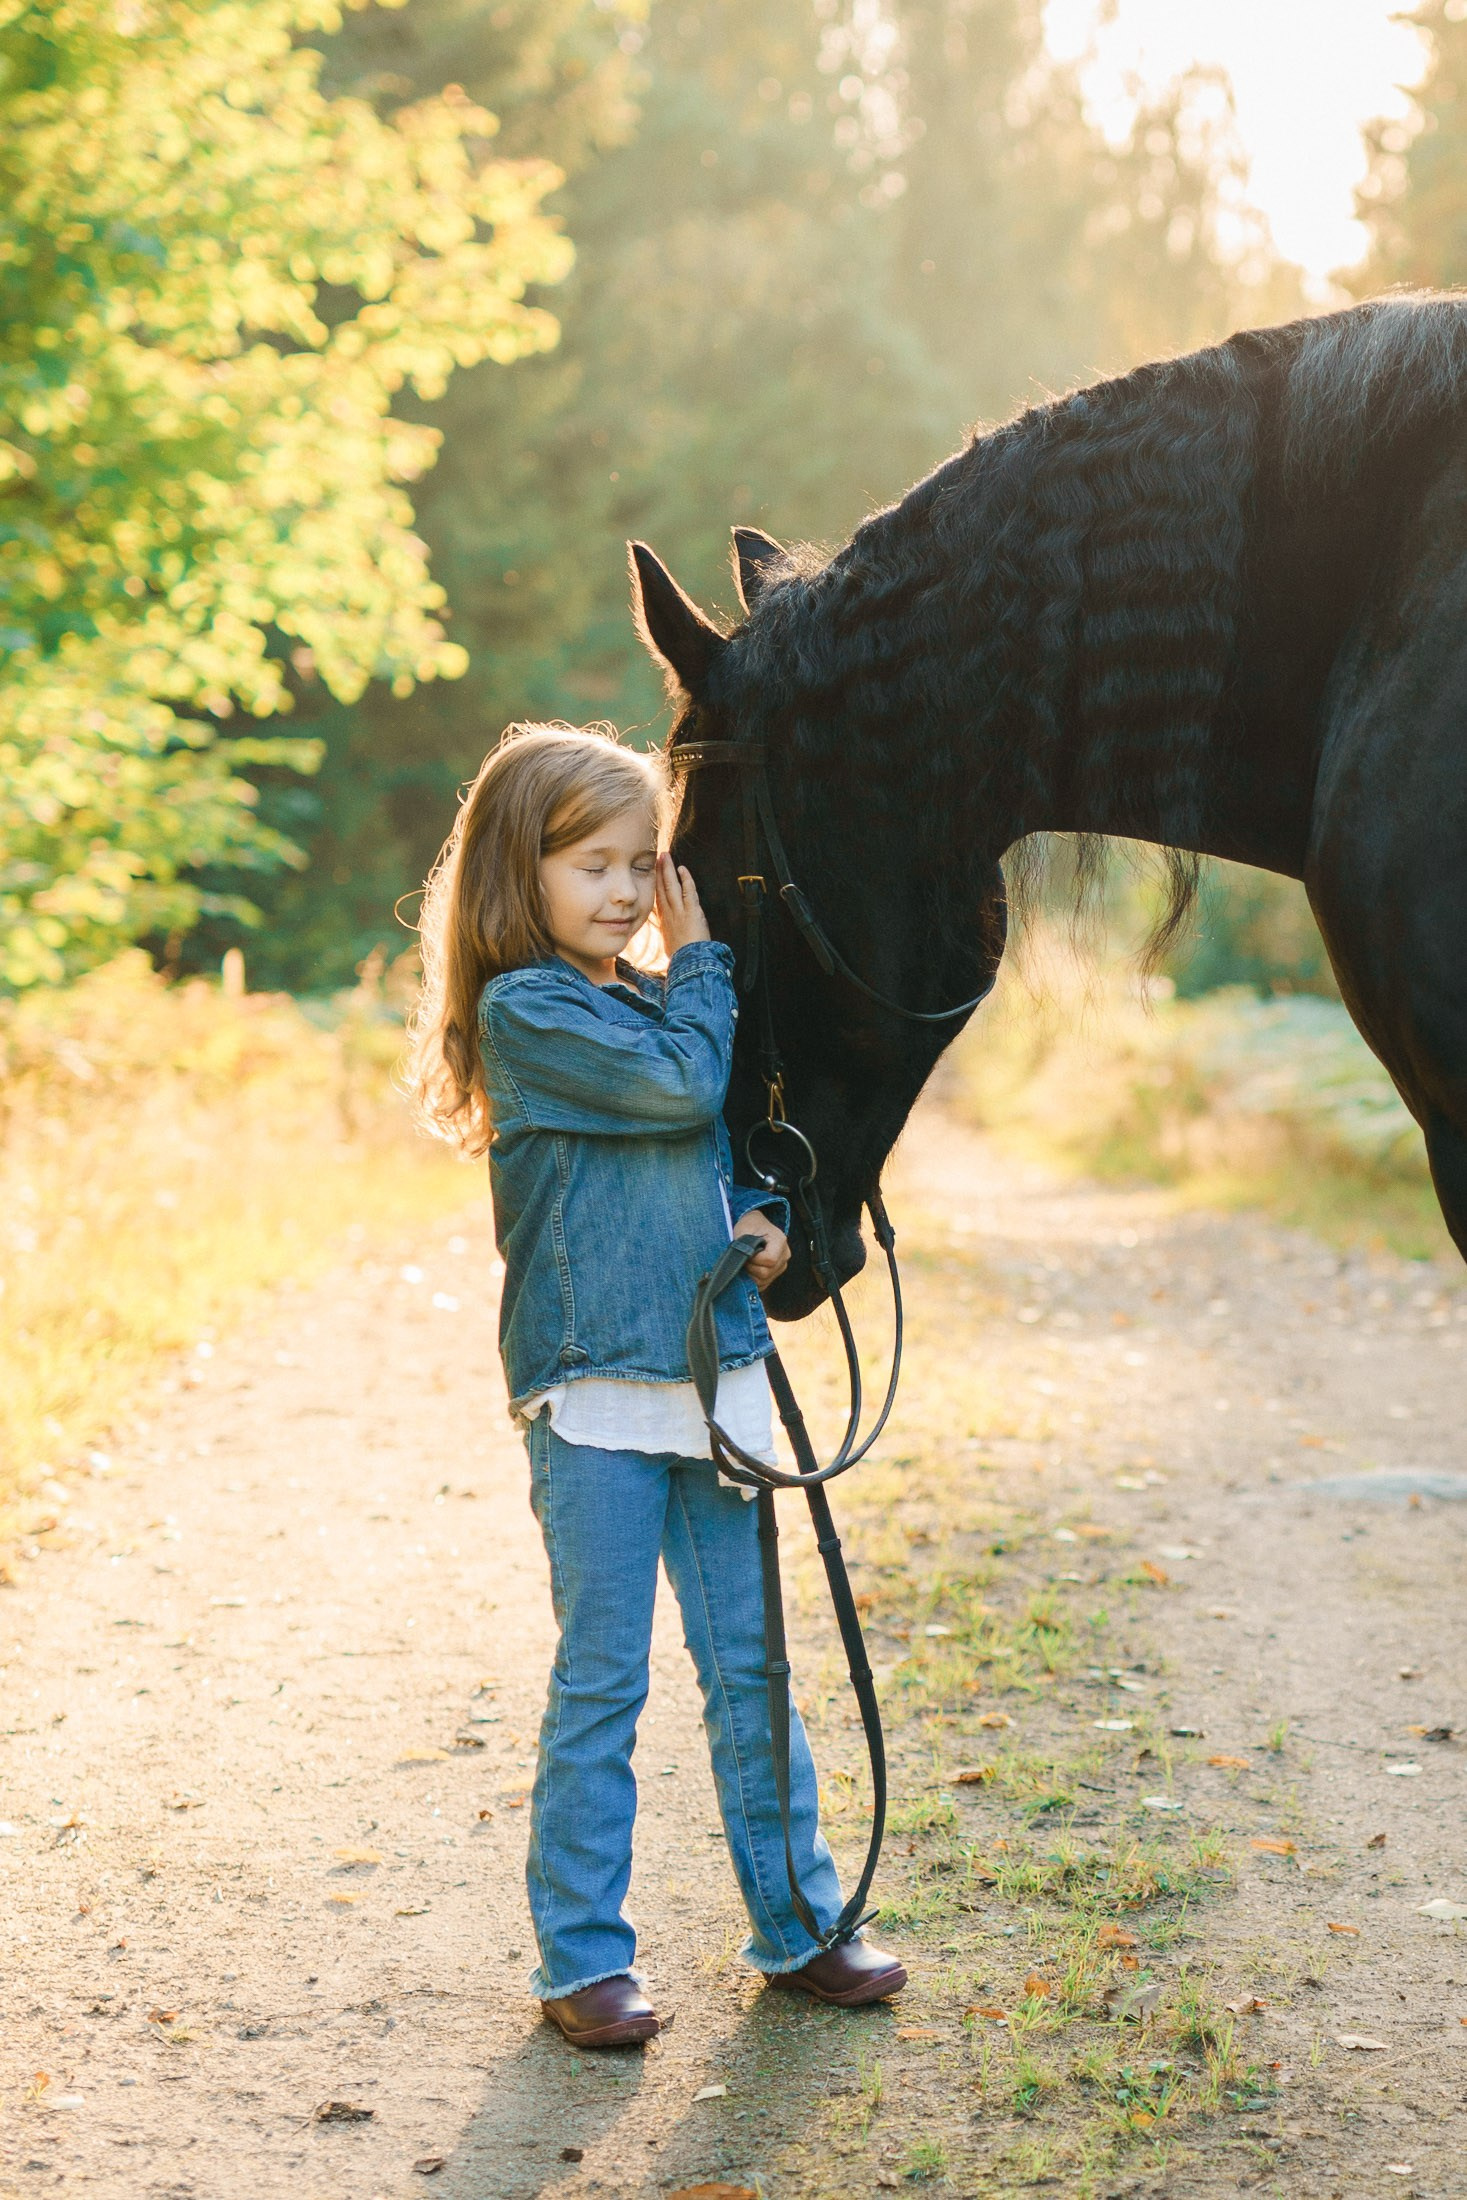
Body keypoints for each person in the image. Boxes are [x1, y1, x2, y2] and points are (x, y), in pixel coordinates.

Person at [408, 724, 907, 2048]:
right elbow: (683, 1085)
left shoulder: (639, 996)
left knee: (754, 1665)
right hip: (598, 1401)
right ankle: (582, 1958)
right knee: (606, 1678)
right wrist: (702, 965)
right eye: (595, 866)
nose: (628, 894)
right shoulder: (533, 1010)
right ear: (522, 874)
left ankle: (798, 1921)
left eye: (645, 866)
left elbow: (704, 1142)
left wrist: (760, 1218)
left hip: (714, 1381)